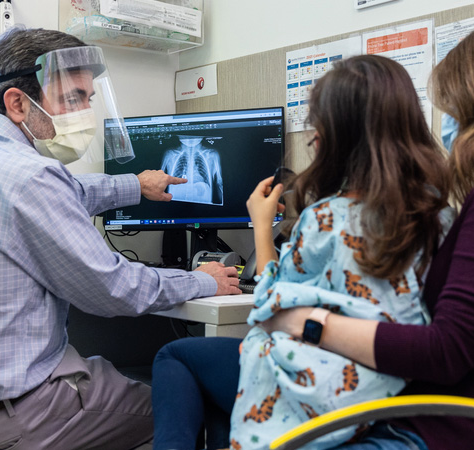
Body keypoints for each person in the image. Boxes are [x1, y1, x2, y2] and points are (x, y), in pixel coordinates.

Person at [151, 14, 474, 450]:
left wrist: (307, 323)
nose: (449, 121)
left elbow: (446, 351)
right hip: (437, 413)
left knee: (221, 371)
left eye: (453, 105)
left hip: (440, 430)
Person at [0, 28, 240, 450]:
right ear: (18, 103)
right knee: (188, 404)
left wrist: (136, 184)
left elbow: (67, 192)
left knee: (118, 367)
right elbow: (114, 289)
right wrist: (204, 280)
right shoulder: (32, 178)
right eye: (73, 99)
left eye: (88, 100)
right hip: (9, 415)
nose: (85, 114)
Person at [152, 54, 451, 450]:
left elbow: (272, 301)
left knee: (176, 356)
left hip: (316, 387)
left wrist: (261, 226)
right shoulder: (439, 215)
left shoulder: (325, 217)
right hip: (381, 390)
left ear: (334, 136)